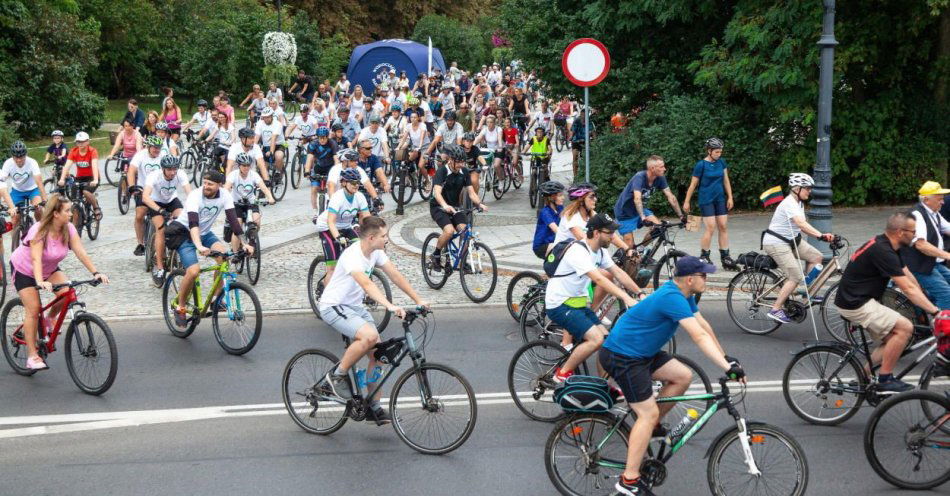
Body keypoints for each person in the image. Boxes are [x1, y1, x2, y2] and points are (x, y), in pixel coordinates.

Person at [602, 256, 742, 496]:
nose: (706, 279)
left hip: (643, 353)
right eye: (704, 276)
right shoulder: (672, 298)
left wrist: (726, 357)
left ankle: (649, 426)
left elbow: (703, 326)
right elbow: (697, 336)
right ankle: (628, 479)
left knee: (683, 376)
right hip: (623, 356)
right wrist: (725, 368)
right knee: (647, 413)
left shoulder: (684, 295)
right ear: (689, 279)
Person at [318, 216, 429, 423]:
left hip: (355, 307)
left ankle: (373, 406)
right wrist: (389, 306)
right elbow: (367, 285)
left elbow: (395, 275)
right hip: (334, 306)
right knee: (368, 337)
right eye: (384, 236)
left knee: (377, 355)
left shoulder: (376, 252)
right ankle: (336, 376)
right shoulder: (353, 255)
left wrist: (418, 300)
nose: (387, 239)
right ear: (371, 237)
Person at [835, 212, 940, 392]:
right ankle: (885, 380)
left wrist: (924, 296)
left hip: (859, 298)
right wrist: (936, 312)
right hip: (856, 303)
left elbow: (908, 275)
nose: (915, 235)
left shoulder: (889, 246)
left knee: (893, 339)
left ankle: (863, 375)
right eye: (913, 231)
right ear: (900, 232)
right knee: (905, 328)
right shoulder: (883, 251)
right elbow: (907, 288)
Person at [9, 194, 109, 370]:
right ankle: (32, 356)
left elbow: (81, 252)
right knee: (33, 310)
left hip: (49, 269)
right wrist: (40, 281)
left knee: (67, 295)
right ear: (55, 213)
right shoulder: (39, 230)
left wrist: (96, 272)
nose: (71, 214)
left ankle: (49, 318)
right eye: (67, 210)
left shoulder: (68, 228)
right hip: (25, 269)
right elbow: (35, 259)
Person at [546, 213, 644, 384]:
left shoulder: (600, 252)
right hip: (559, 304)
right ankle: (561, 374)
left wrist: (640, 293)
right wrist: (625, 297)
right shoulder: (578, 251)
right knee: (596, 339)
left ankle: (603, 385)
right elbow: (599, 279)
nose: (613, 237)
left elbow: (618, 273)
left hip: (578, 303)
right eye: (610, 233)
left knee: (607, 343)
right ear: (597, 233)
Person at [164, 170, 252, 328]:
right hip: (182, 233)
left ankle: (215, 300)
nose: (206, 186)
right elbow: (193, 223)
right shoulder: (195, 196)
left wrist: (245, 243)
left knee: (224, 256)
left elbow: (233, 221)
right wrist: (198, 246)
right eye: (204, 182)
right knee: (193, 271)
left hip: (204, 233)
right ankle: (180, 307)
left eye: (210, 184)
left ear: (219, 185)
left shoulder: (225, 195)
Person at [762, 173, 835, 323]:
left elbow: (800, 225)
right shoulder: (789, 203)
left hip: (792, 240)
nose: (810, 191)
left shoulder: (799, 203)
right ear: (797, 189)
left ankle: (807, 293)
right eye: (807, 188)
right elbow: (801, 224)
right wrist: (820, 235)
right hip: (776, 243)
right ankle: (775, 309)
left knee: (816, 257)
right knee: (795, 276)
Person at [428, 145, 488, 271]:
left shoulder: (464, 172)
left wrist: (479, 203)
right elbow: (437, 193)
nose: (461, 164)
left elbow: (471, 193)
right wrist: (445, 206)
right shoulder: (442, 171)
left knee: (466, 232)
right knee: (449, 231)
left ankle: (463, 261)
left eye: (462, 161)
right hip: (438, 207)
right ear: (450, 160)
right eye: (458, 161)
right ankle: (436, 254)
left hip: (456, 207)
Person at [682, 137, 736, 268]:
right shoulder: (701, 165)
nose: (719, 154)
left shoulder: (722, 163)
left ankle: (726, 257)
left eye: (720, 151)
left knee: (723, 226)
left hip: (720, 199)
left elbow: (726, 180)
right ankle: (704, 256)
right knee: (711, 227)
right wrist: (687, 201)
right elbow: (693, 184)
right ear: (709, 151)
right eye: (717, 152)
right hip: (706, 199)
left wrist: (730, 197)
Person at [314, 168, 370, 287]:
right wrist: (338, 237)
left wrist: (373, 235)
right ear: (344, 183)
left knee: (361, 251)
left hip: (345, 227)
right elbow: (330, 222)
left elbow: (367, 219)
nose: (356, 185)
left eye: (358, 183)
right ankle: (327, 295)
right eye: (353, 182)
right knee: (332, 267)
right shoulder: (337, 197)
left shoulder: (360, 197)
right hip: (327, 228)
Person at [613, 155, 685, 247]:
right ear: (652, 168)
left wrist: (681, 216)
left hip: (640, 210)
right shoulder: (639, 177)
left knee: (658, 228)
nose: (664, 169)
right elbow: (637, 199)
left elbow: (671, 197)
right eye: (661, 167)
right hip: (624, 213)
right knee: (629, 248)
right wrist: (643, 218)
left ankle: (641, 249)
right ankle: (625, 253)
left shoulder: (660, 178)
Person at [141, 155, 193, 282]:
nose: (173, 172)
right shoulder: (154, 176)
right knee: (161, 230)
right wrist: (160, 211)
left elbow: (190, 194)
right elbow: (145, 197)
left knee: (182, 224)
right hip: (155, 202)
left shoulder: (180, 174)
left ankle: (179, 254)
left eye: (175, 169)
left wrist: (192, 210)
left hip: (171, 200)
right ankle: (159, 267)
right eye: (169, 169)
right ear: (163, 169)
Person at [901, 181, 950, 309]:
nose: (943, 202)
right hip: (919, 265)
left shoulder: (934, 213)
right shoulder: (917, 215)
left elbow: (948, 228)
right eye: (940, 199)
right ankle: (942, 326)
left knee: (939, 293)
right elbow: (921, 245)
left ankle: (931, 309)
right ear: (927, 200)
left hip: (932, 262)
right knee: (947, 296)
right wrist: (948, 255)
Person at [223, 153, 276, 257]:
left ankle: (252, 241)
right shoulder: (233, 175)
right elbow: (227, 188)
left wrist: (270, 197)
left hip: (251, 203)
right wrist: (225, 197)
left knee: (257, 221)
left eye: (248, 165)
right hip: (236, 204)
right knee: (237, 225)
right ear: (239, 165)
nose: (246, 167)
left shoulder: (254, 174)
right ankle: (236, 253)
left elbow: (263, 187)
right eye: (244, 165)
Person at [2, 141, 48, 245]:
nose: (18, 160)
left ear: (25, 155)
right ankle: (15, 245)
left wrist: (44, 199)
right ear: (12, 156)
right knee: (15, 218)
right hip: (17, 191)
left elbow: (39, 181)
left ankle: (42, 230)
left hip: (33, 189)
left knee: (39, 209)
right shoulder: (8, 163)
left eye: (21, 157)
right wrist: (5, 199)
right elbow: (2, 181)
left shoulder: (32, 162)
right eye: (16, 157)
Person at [128, 135, 166, 256]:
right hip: (143, 189)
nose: (157, 150)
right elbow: (131, 171)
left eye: (159, 148)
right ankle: (141, 243)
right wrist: (131, 186)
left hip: (159, 190)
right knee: (140, 214)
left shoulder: (163, 156)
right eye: (155, 148)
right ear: (148, 147)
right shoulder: (140, 155)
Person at [57, 132, 101, 220]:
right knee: (75, 202)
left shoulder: (92, 151)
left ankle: (96, 207)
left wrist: (95, 180)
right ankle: (76, 226)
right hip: (80, 178)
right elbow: (67, 166)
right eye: (78, 142)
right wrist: (62, 179)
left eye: (83, 141)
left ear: (88, 142)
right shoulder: (74, 151)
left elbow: (94, 166)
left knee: (86, 192)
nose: (80, 144)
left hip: (92, 178)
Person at [303, 127, 338, 216]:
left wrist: (337, 170)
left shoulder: (332, 143)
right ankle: (314, 210)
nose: (322, 140)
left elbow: (336, 158)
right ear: (317, 137)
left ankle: (333, 207)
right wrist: (307, 171)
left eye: (324, 137)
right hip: (318, 168)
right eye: (320, 138)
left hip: (330, 168)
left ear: (327, 137)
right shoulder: (313, 144)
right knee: (314, 188)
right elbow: (309, 158)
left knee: (331, 187)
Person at [532, 181, 565, 259]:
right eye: (560, 195)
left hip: (553, 242)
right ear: (552, 197)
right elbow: (556, 229)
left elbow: (569, 221)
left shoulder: (560, 208)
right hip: (542, 246)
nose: (563, 197)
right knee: (564, 250)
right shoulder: (545, 212)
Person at [254, 107, 286, 176]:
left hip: (278, 145)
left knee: (278, 156)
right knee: (262, 168)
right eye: (264, 117)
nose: (266, 119)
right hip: (266, 145)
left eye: (268, 117)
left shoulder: (277, 124)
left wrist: (271, 152)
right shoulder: (260, 123)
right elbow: (256, 137)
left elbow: (273, 139)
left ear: (272, 116)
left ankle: (279, 171)